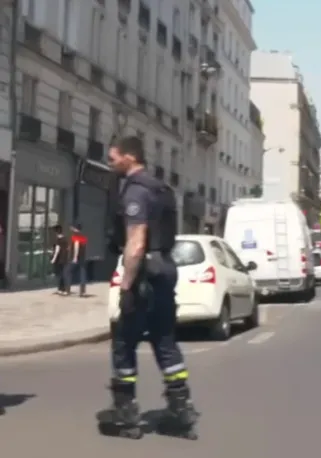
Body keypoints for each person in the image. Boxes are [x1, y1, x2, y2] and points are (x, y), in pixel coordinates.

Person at [99, 135, 197, 438]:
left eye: (113, 157)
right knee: (165, 341)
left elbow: (136, 242)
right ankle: (180, 408)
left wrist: (126, 285)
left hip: (146, 275)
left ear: (129, 157)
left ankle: (125, 411)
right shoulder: (162, 190)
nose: (110, 162)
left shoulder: (136, 192)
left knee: (123, 343)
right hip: (166, 271)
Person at [68, 222, 87, 296]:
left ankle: (67, 289)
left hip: (76, 258)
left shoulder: (75, 236)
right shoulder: (84, 237)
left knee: (67, 272)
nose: (71, 228)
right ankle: (83, 291)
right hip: (82, 257)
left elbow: (76, 245)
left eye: (72, 227)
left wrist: (75, 257)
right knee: (83, 274)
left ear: (75, 228)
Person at [50, 224, 68, 295]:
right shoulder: (65, 239)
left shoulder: (58, 240)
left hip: (59, 259)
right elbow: (67, 248)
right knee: (62, 274)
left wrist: (53, 259)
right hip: (64, 258)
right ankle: (63, 289)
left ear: (56, 232)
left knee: (60, 274)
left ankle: (61, 289)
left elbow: (57, 250)